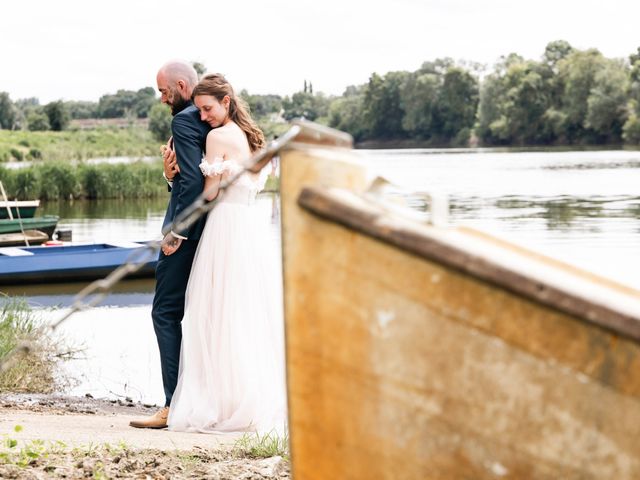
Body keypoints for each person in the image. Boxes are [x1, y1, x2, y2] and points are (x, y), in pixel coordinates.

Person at [167, 73, 287, 433]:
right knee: (244, 314)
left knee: (215, 313)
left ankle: (221, 400)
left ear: (227, 102)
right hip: (252, 229)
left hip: (225, 229)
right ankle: (246, 398)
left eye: (207, 109)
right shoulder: (252, 137)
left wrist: (171, 177)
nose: (203, 117)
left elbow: (209, 194)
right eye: (200, 110)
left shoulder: (218, 138)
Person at [129, 60, 211, 429]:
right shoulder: (209, 117)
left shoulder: (185, 118)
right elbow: (192, 178)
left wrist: (176, 233)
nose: (162, 99)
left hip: (186, 234)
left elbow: (192, 182)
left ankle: (172, 405)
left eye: (164, 91)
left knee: (164, 312)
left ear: (181, 84)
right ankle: (194, 400)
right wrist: (168, 176)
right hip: (210, 229)